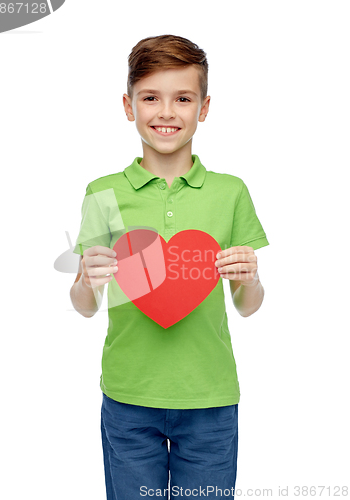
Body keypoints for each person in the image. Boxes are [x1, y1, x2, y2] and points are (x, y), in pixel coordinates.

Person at [70, 34, 269, 500]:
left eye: (182, 98)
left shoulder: (230, 192)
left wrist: (251, 279)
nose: (166, 112)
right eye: (150, 98)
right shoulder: (103, 193)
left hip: (210, 398)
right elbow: (83, 306)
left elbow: (248, 307)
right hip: (127, 396)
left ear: (203, 108)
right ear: (128, 105)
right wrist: (85, 279)